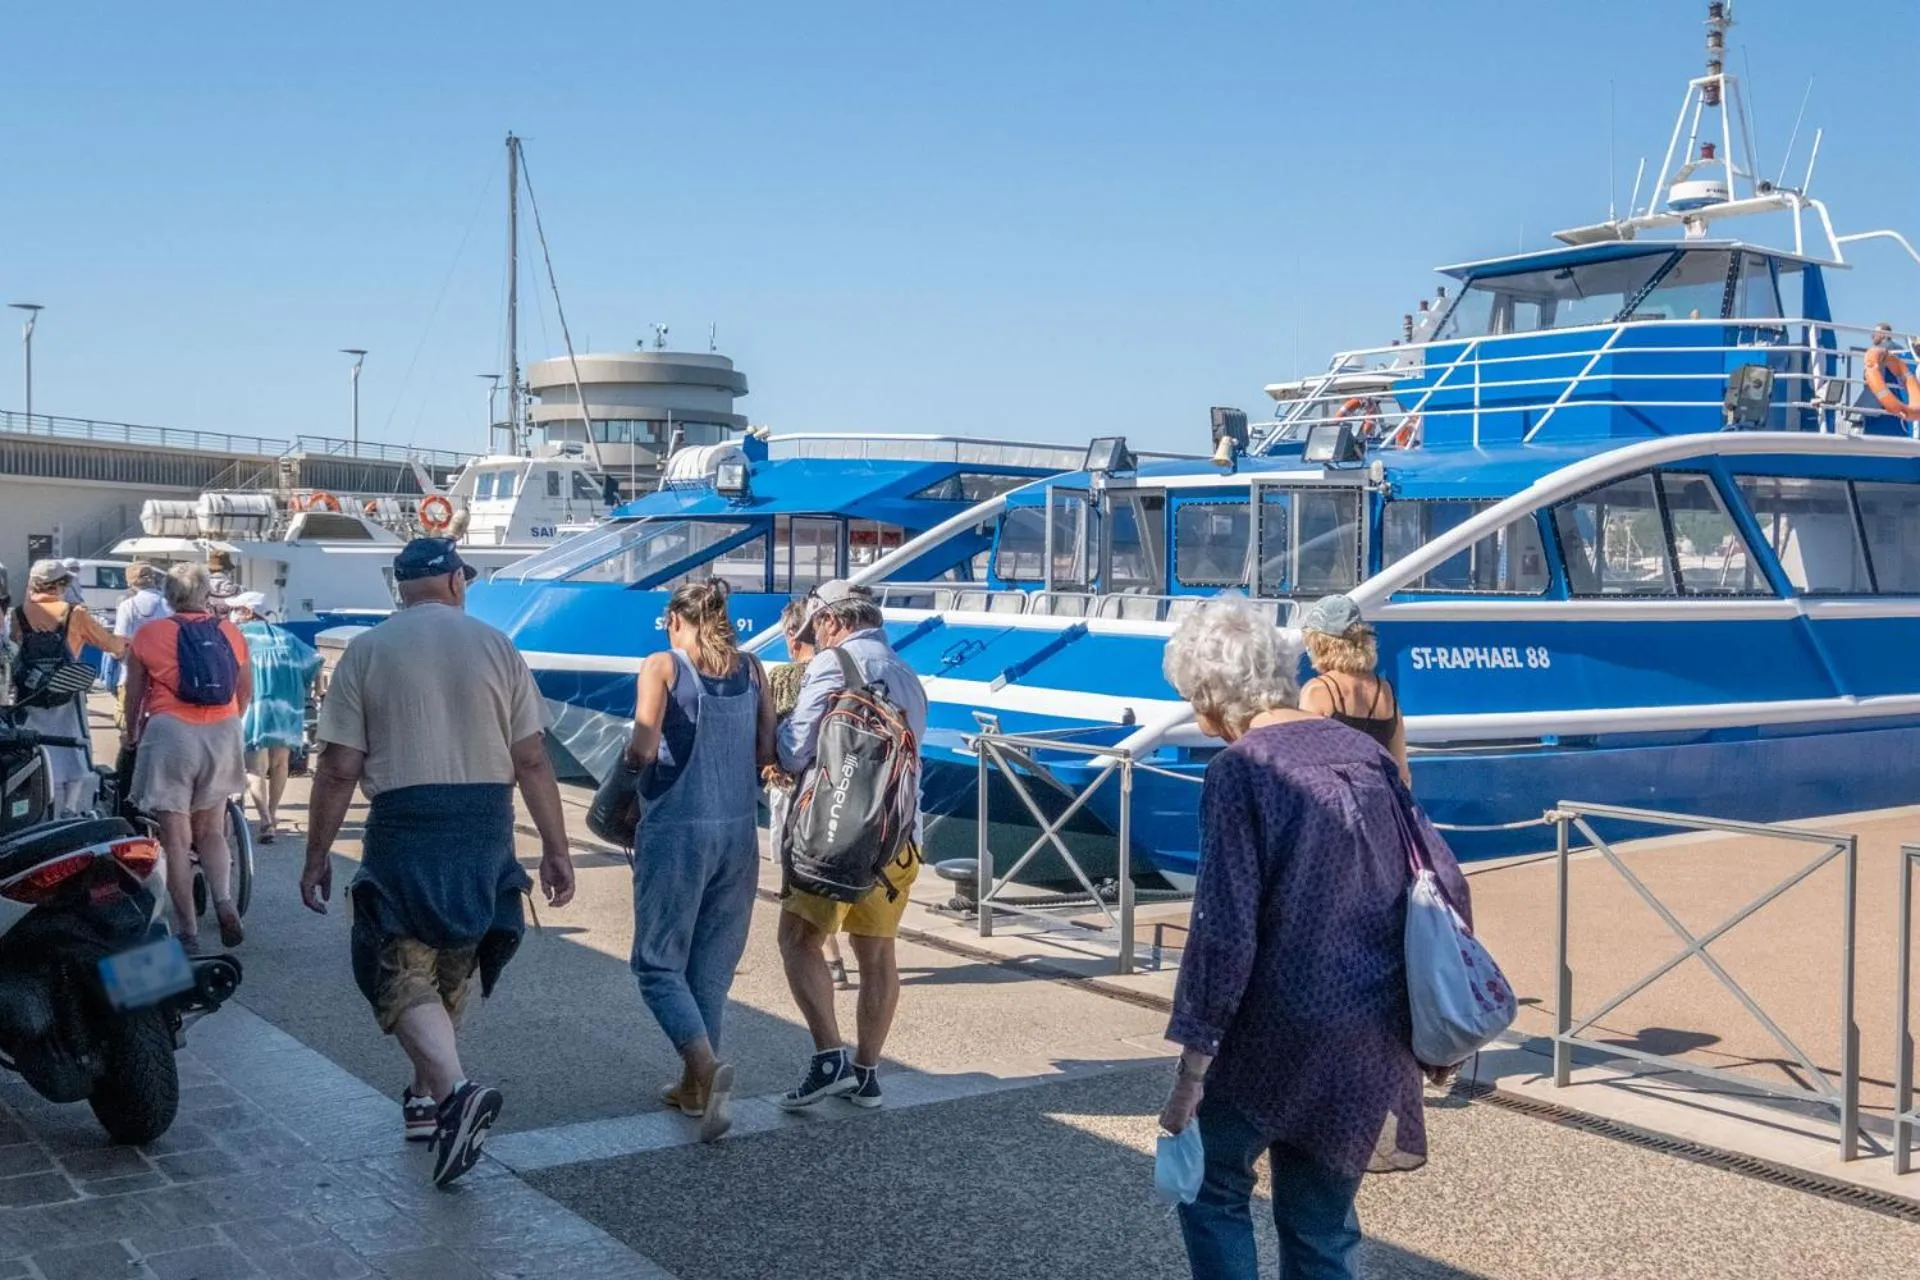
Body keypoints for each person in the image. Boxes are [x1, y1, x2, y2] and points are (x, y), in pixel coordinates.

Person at [1157, 596, 1471, 1280]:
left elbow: (1224, 932)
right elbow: (1442, 875)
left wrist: (1190, 1071)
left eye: (1193, 700)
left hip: (1273, 1033)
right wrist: (1434, 1022)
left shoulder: (1242, 771)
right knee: (1322, 1231)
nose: (1198, 718)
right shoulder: (1365, 755)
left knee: (1212, 1190)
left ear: (1214, 694)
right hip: (1367, 1035)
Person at [300, 537, 575, 1189]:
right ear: (455, 582)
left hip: (406, 822)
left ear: (400, 587)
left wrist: (316, 856)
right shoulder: (496, 646)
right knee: (452, 962)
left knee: (395, 965)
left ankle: (453, 1094)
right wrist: (557, 849)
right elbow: (532, 759)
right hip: (485, 824)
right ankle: (426, 1100)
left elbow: (339, 768)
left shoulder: (365, 652)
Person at [622, 580, 776, 1143]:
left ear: (675, 620)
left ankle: (708, 1074)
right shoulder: (754, 669)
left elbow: (643, 746)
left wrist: (623, 777)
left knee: (657, 964)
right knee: (709, 967)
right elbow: (766, 752)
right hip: (738, 833)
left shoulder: (662, 666)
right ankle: (692, 1087)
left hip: (679, 828)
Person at [774, 580, 927, 1111]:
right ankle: (866, 1073)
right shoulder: (908, 674)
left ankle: (828, 1058)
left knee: (797, 940)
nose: (814, 639)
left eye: (816, 627)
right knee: (878, 955)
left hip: (834, 835)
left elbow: (795, 752)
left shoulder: (833, 664)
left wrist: (771, 734)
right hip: (897, 841)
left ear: (832, 621)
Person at [124, 564, 251, 948]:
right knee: (212, 830)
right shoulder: (230, 632)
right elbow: (245, 691)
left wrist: (132, 734)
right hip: (223, 730)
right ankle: (225, 902)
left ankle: (188, 931)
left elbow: (134, 696)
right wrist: (226, 723)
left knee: (175, 840)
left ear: (168, 596)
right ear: (205, 594)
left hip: (169, 734)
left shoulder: (148, 634)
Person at [767, 597, 850, 989]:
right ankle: (830, 954)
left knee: (799, 870)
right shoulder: (843, 671)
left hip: (795, 789)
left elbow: (779, 740)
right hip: (842, 787)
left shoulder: (784, 677)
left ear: (791, 634)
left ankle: (823, 957)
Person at [9, 560, 123, 816]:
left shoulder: (17, 614)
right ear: (61, 584)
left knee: (36, 750)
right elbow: (112, 645)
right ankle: (70, 809)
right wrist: (125, 644)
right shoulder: (75, 613)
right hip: (67, 694)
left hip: (31, 697)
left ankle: (40, 808)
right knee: (74, 752)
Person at [231, 592, 322, 844]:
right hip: (287, 705)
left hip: (255, 703)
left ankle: (264, 820)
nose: (234, 614)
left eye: (237, 609)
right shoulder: (287, 637)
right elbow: (315, 660)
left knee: (255, 765)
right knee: (280, 762)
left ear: (249, 612)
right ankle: (272, 812)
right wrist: (316, 690)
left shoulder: (239, 637)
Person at [1297, 594, 1409, 785]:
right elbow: (1403, 775)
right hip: (1379, 803)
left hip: (1335, 808)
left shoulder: (1318, 691)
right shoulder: (1385, 691)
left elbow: (1301, 765)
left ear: (1321, 643)